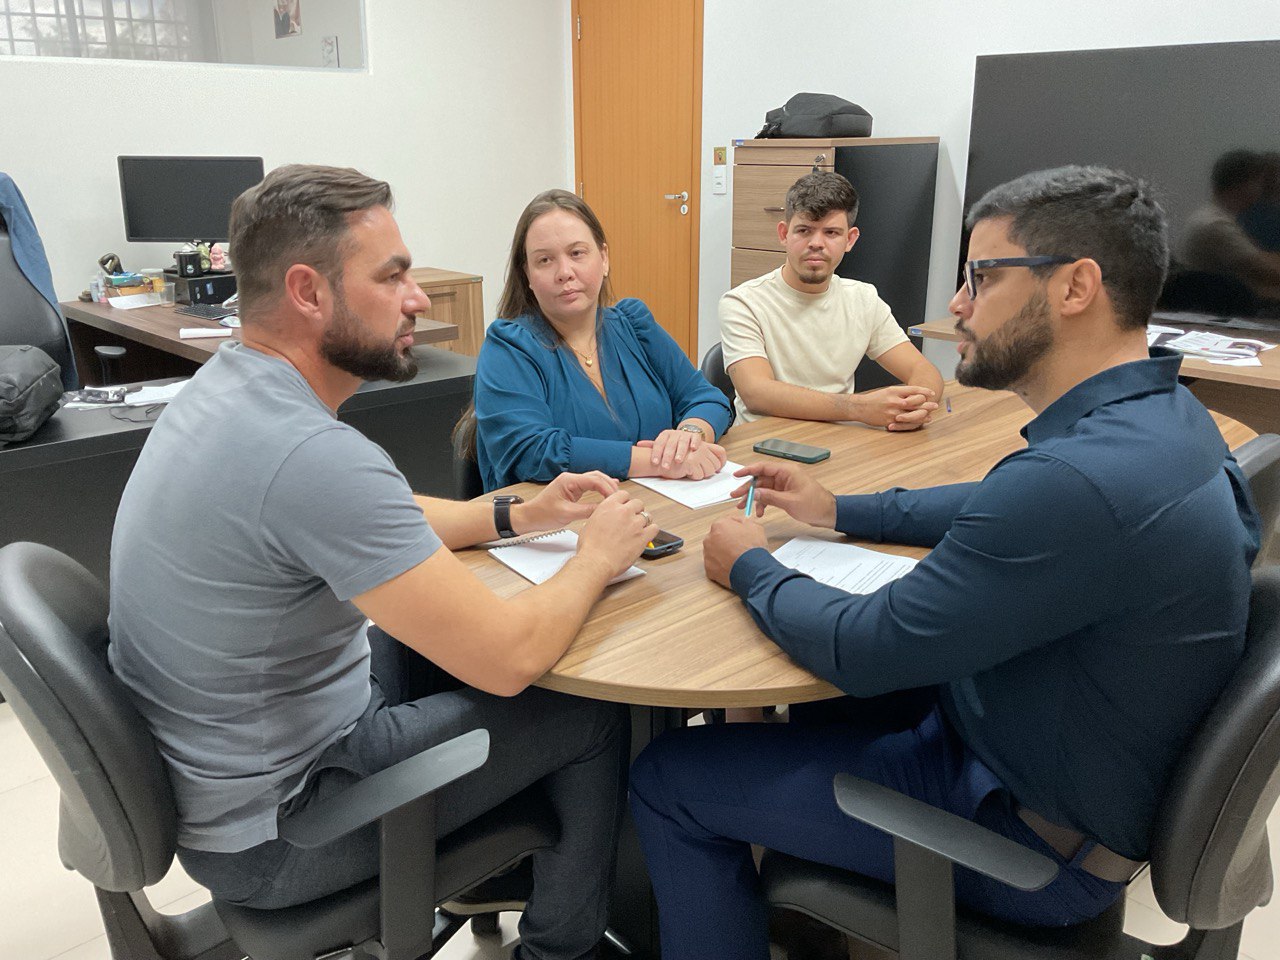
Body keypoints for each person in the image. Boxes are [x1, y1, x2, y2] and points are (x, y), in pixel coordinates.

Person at [629, 165, 1261, 960]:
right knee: (820, 708)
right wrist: (839, 510)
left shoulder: (1073, 483)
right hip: (1069, 768)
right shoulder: (1167, 422)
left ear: (1075, 287)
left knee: (670, 777)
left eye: (982, 278)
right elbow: (993, 503)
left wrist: (751, 565)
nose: (958, 304)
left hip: (1026, 840)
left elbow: (863, 647)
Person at [108, 164, 660, 960]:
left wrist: (517, 513)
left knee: (424, 642)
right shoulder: (309, 453)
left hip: (231, 780)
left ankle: (496, 863)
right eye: (393, 276)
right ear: (308, 292)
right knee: (583, 710)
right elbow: (510, 659)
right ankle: (563, 948)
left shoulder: (227, 391)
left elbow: (382, 518)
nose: (419, 298)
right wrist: (597, 556)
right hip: (284, 831)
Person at [474, 189, 733, 491]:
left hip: (658, 504)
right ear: (528, 275)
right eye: (545, 260)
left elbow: (706, 397)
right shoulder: (509, 347)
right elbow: (532, 451)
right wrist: (662, 462)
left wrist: (689, 436)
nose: (565, 272)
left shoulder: (635, 325)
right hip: (563, 515)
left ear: (604, 258)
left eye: (577, 253)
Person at [719, 170, 943, 427]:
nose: (816, 243)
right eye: (804, 230)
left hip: (839, 440)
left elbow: (923, 371)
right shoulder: (743, 303)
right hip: (765, 440)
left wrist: (915, 407)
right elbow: (756, 393)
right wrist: (859, 408)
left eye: (831, 233)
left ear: (850, 239)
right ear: (783, 234)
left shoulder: (863, 299)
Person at [1181, 149, 1280, 303]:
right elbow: (1269, 271)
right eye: (1259, 182)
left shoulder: (1211, 218)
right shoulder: (1215, 225)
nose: (1262, 189)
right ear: (1245, 185)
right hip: (1220, 309)